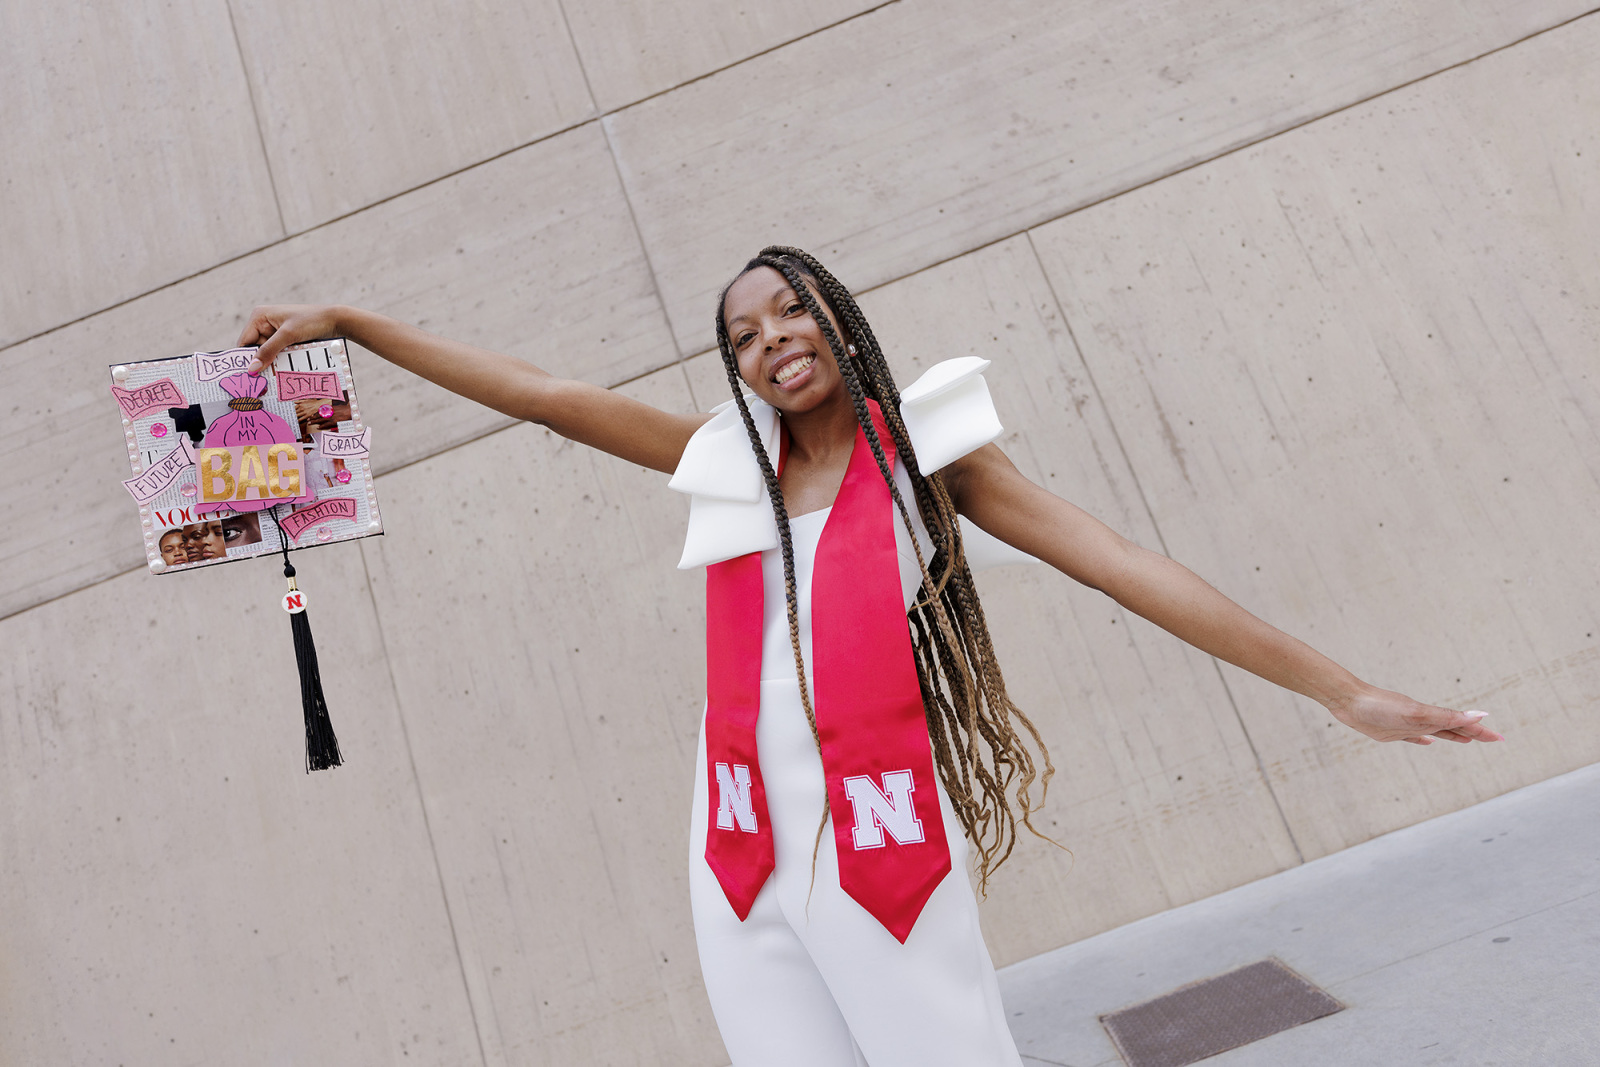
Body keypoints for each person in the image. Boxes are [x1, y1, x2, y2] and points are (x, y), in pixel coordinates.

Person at [239, 246, 1501, 1066]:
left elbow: (1126, 564)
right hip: (734, 845)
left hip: (873, 834)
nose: (773, 337)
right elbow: (541, 391)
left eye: (793, 308)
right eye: (743, 332)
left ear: (841, 317)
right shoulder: (725, 463)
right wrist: (352, 318)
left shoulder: (931, 456)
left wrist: (1347, 692)